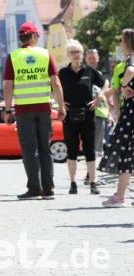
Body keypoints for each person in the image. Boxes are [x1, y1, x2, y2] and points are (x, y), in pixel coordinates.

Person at [3, 22, 65, 200]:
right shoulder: (45, 55)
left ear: (21, 38)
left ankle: (34, 188)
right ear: (34, 37)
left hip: (23, 110)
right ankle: (49, 188)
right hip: (44, 109)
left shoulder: (13, 57)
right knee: (45, 148)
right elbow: (56, 83)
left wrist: (8, 110)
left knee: (30, 151)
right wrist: (61, 107)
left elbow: (8, 86)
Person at [57, 40, 104, 195]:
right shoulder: (63, 73)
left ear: (82, 54)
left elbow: (106, 83)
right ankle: (73, 183)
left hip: (88, 116)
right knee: (72, 151)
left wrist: (99, 98)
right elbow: (52, 87)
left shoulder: (89, 71)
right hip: (70, 118)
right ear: (68, 55)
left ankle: (93, 182)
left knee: (89, 150)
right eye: (72, 52)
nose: (76, 55)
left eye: (78, 52)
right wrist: (60, 102)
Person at [99, 29, 134, 207]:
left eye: (121, 40)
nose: (120, 43)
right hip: (130, 110)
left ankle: (119, 197)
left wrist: (123, 84)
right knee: (128, 153)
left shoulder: (131, 59)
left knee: (126, 152)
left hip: (131, 112)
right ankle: (119, 195)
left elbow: (130, 70)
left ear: (127, 42)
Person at [84, 48, 110, 166]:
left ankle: (92, 173)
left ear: (98, 59)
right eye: (90, 58)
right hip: (90, 113)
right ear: (86, 60)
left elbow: (104, 96)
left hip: (101, 114)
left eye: (94, 58)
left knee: (97, 147)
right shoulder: (84, 74)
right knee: (92, 146)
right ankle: (91, 174)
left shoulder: (99, 75)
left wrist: (110, 113)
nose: (92, 60)